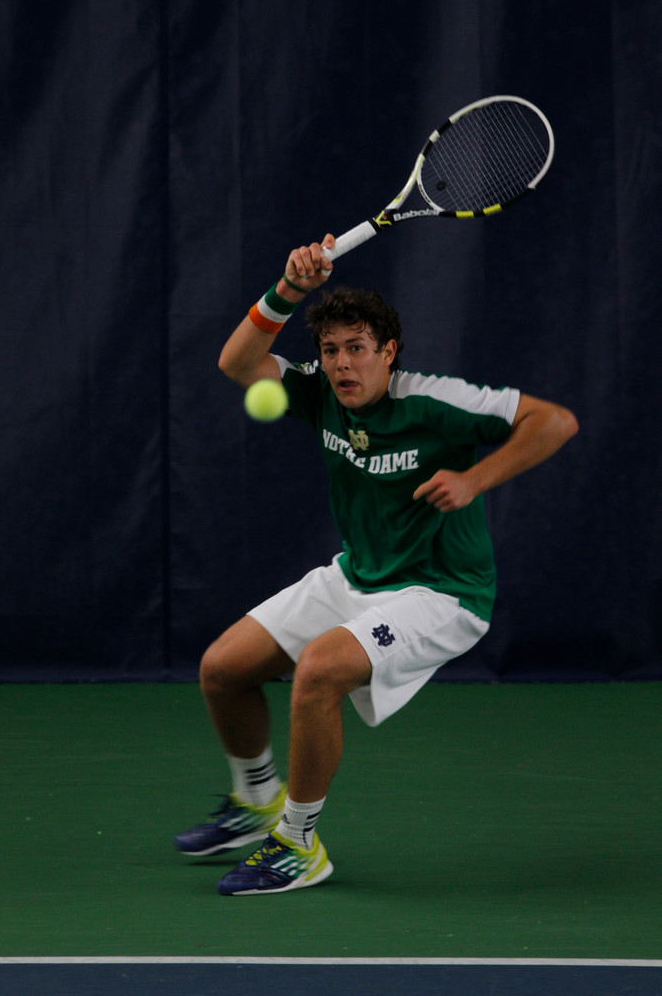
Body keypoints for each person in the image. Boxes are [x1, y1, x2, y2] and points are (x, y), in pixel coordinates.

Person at [174, 234, 579, 896]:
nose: (342, 363)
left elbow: (555, 422)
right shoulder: (318, 392)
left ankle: (298, 844)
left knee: (319, 671)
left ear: (388, 352)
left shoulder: (438, 401)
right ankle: (257, 802)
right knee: (222, 669)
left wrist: (475, 479)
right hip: (356, 575)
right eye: (330, 349)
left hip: (443, 592)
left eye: (357, 348)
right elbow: (235, 362)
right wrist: (288, 289)